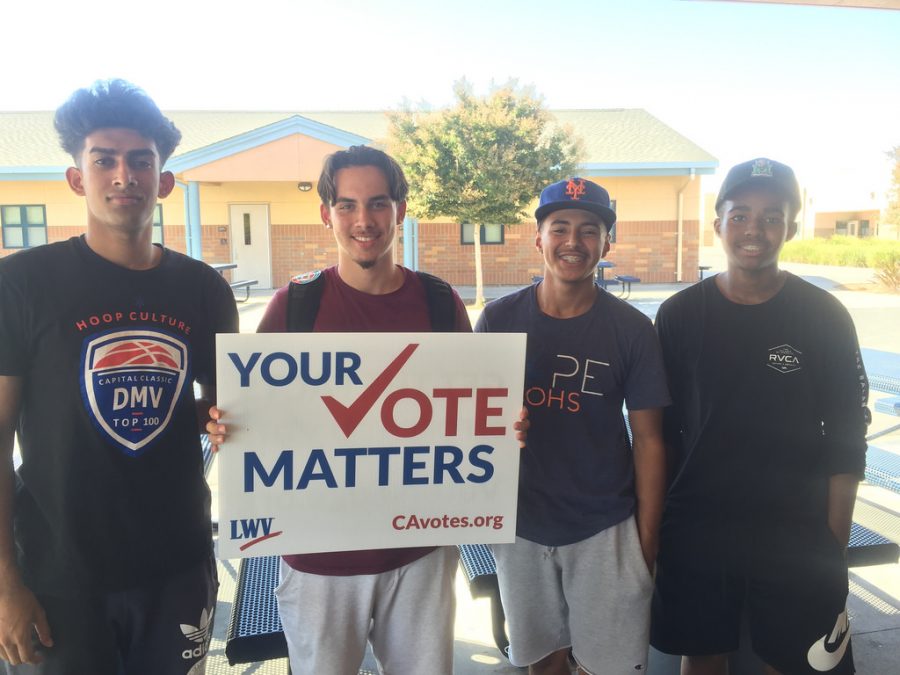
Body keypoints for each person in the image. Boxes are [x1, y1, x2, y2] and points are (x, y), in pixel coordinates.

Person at [208, 145, 509, 675]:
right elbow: (257, 415)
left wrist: (505, 425)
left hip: (418, 554)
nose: (363, 220)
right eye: (346, 205)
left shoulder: (440, 304)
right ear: (326, 214)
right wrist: (230, 424)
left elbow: (471, 410)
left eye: (377, 203)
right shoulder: (295, 306)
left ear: (401, 209)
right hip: (317, 562)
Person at [0, 79, 239, 674]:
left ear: (164, 181)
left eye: (140, 161)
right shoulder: (22, 284)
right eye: (103, 160)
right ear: (78, 178)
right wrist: (5, 581)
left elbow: (231, 408)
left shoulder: (204, 289)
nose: (123, 176)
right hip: (58, 575)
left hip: (178, 564)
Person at [650, 158, 868, 675]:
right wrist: (658, 528)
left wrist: (833, 538)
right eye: (741, 213)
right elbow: (661, 433)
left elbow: (846, 434)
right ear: (718, 222)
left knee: (788, 660)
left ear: (791, 227)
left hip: (795, 525)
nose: (755, 229)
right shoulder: (679, 315)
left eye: (772, 216)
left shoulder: (823, 315)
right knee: (701, 654)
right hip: (699, 523)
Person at [474, 177, 670, 674]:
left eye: (589, 230)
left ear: (607, 242)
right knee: (543, 663)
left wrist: (646, 544)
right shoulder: (498, 321)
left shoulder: (632, 330)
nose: (573, 242)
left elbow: (649, 440)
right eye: (559, 228)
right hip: (521, 526)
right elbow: (469, 425)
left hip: (605, 527)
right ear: (538, 237)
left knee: (608, 667)